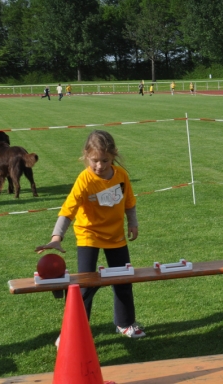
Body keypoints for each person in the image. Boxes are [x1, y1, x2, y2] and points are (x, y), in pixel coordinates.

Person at [35, 130, 145, 343]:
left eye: (105, 160)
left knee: (123, 280)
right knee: (85, 285)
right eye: (95, 160)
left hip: (115, 236)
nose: (99, 165)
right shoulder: (84, 179)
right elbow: (68, 210)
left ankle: (125, 324)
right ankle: (75, 330)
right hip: (89, 235)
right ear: (86, 156)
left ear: (113, 155)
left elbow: (130, 202)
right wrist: (56, 237)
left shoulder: (121, 176)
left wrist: (133, 223)